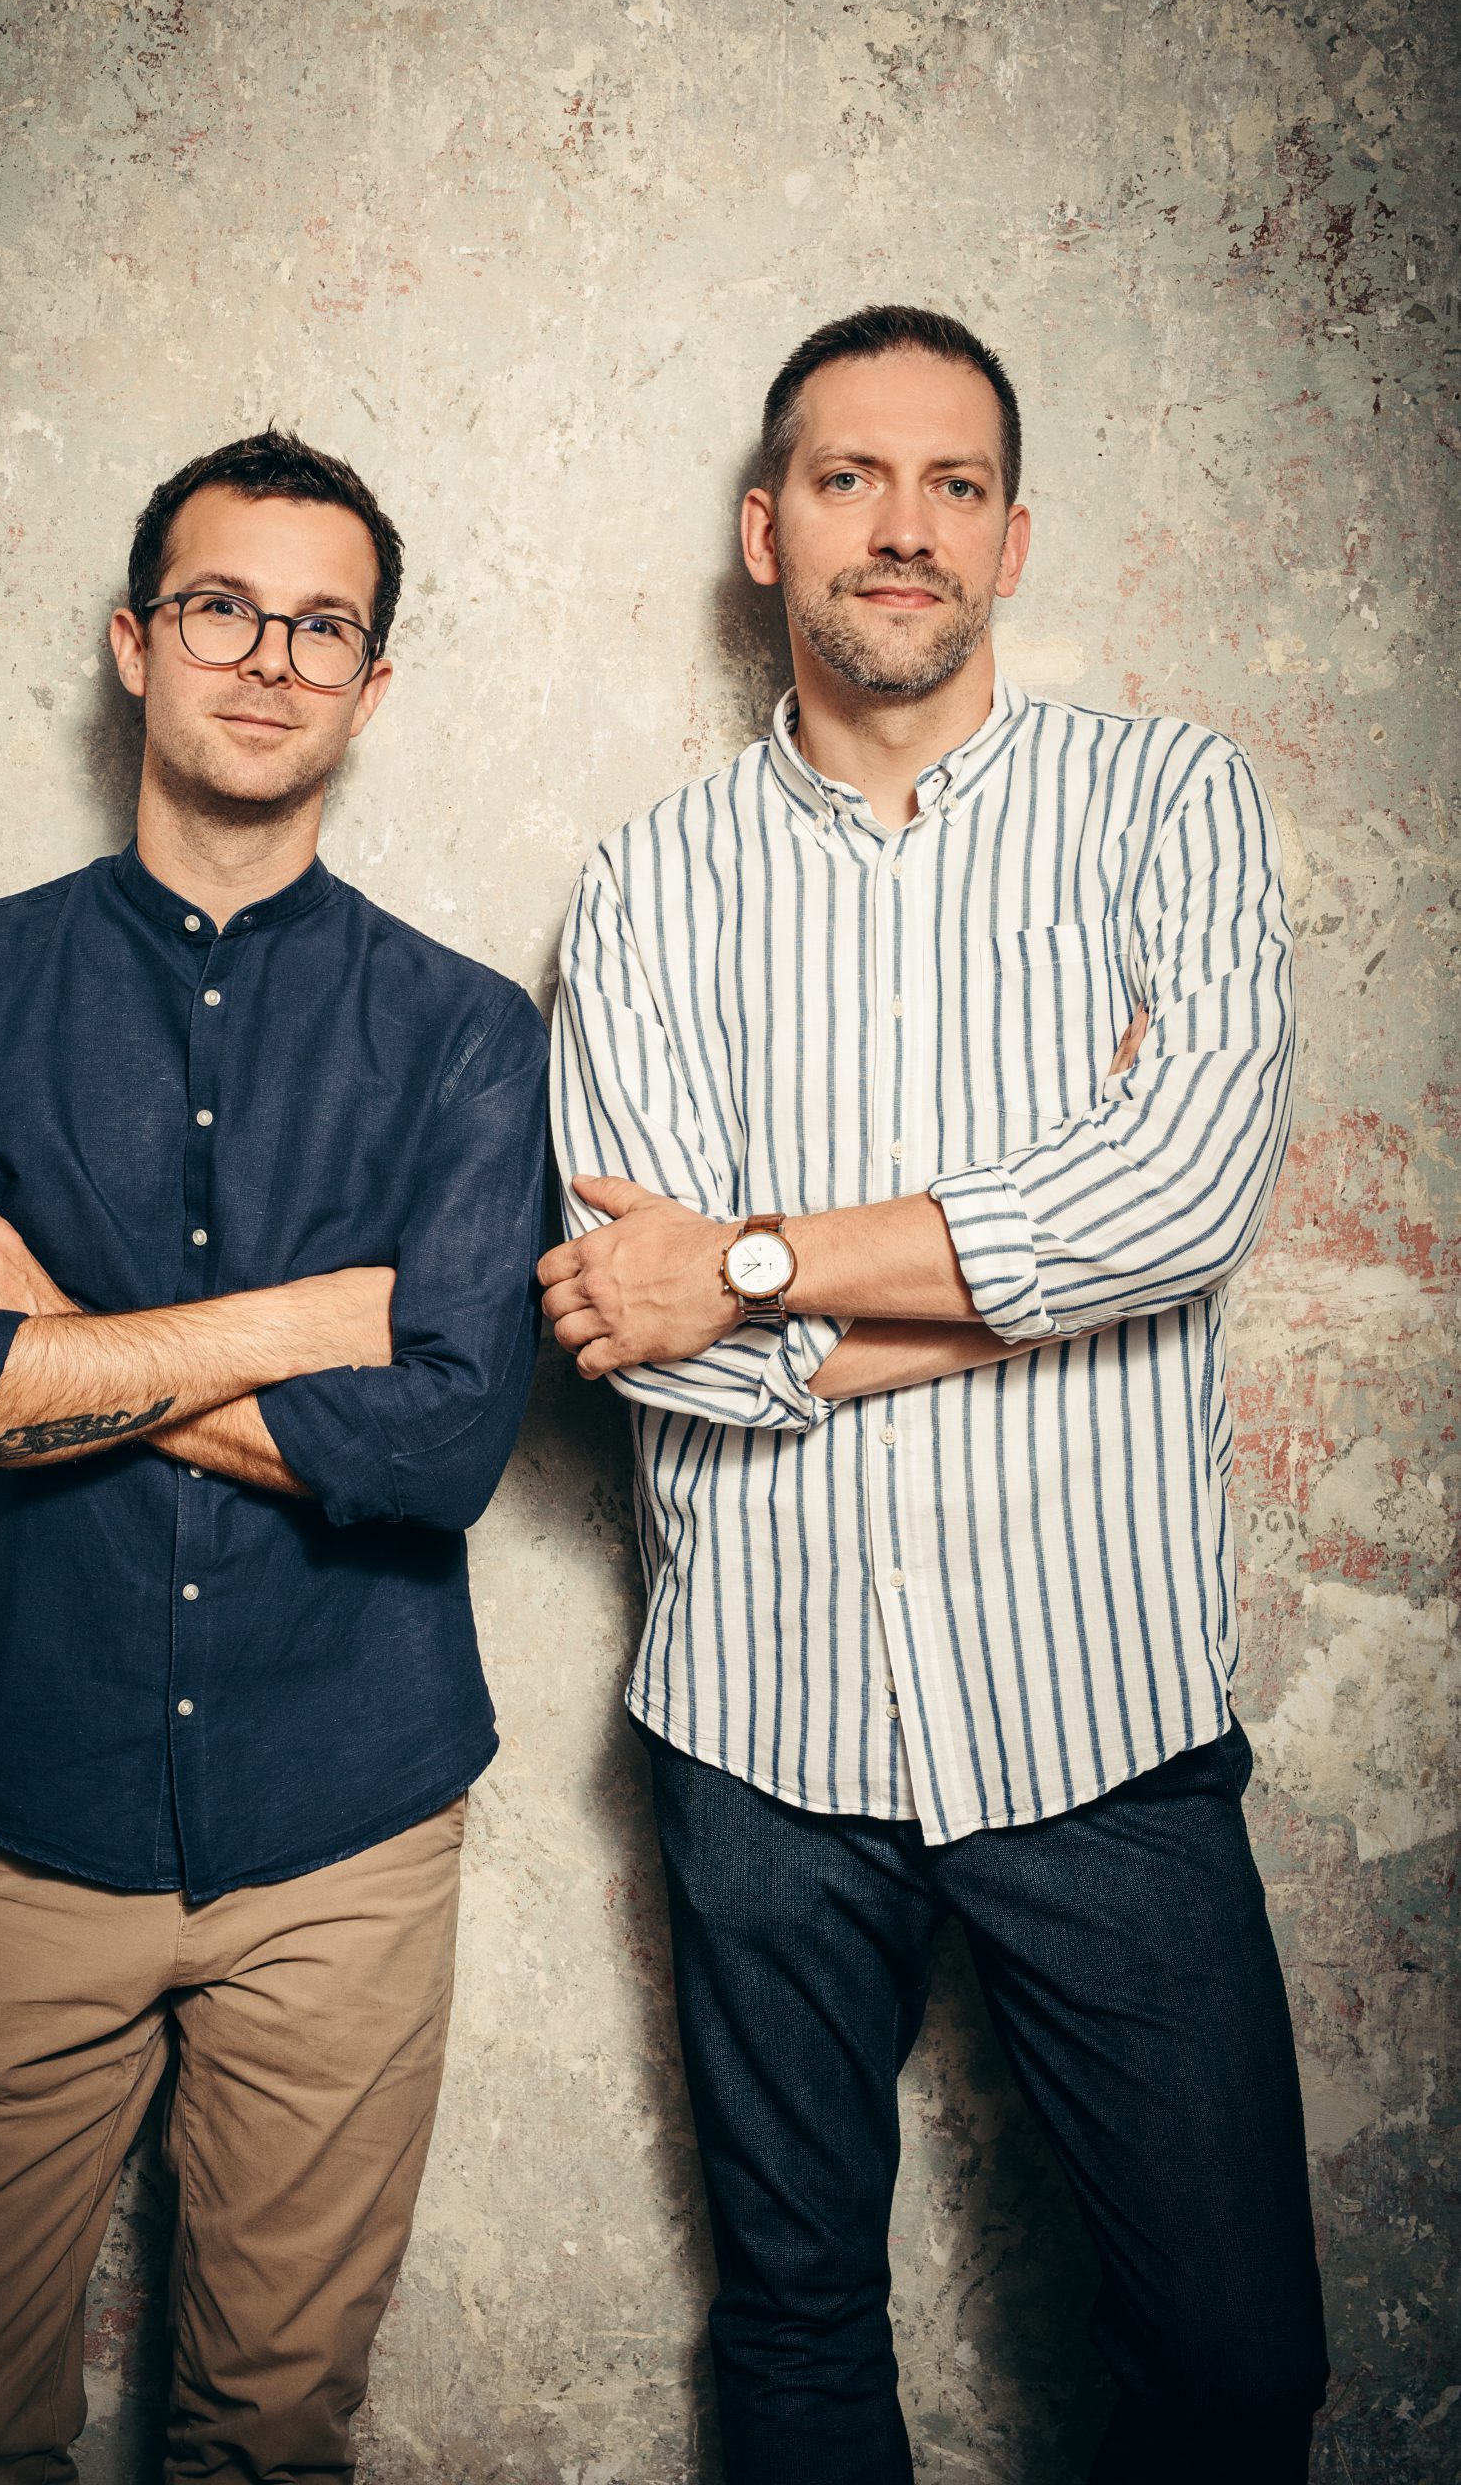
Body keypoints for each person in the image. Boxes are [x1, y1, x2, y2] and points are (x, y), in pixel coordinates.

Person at [543, 306, 1326, 2483]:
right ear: (763, 526)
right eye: (850, 477)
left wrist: (755, 1254)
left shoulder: (1166, 801)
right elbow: (646, 1337)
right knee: (797, 2333)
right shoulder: (646, 884)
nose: (902, 525)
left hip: (1100, 1717)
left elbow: (1183, 1201)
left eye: (952, 483)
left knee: (1234, 2362)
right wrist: (1048, 1255)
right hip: (760, 1731)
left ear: (1010, 536)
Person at [0, 427, 548, 2484]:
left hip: (347, 1837)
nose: (268, 658)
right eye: (223, 606)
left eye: (322, 626)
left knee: (274, 2439)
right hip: (22, 1823)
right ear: (134, 643)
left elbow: (441, 1443)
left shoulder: (468, 1032)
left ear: (372, 686)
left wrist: (49, 1329)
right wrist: (312, 1320)